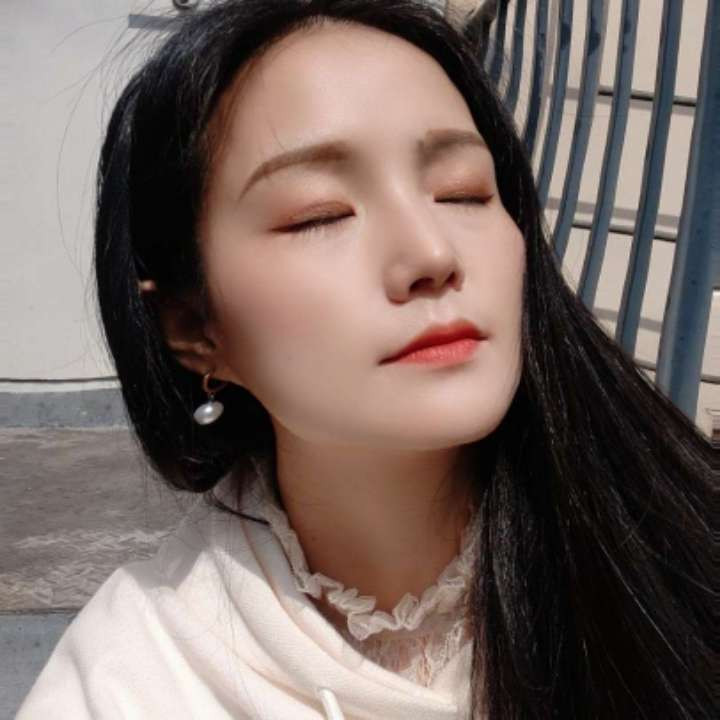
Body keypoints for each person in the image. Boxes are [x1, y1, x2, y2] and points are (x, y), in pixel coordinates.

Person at [16, 1, 714, 718]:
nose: (431, 253)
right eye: (320, 214)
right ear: (195, 327)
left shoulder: (678, 566)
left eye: (463, 192)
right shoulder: (132, 680)